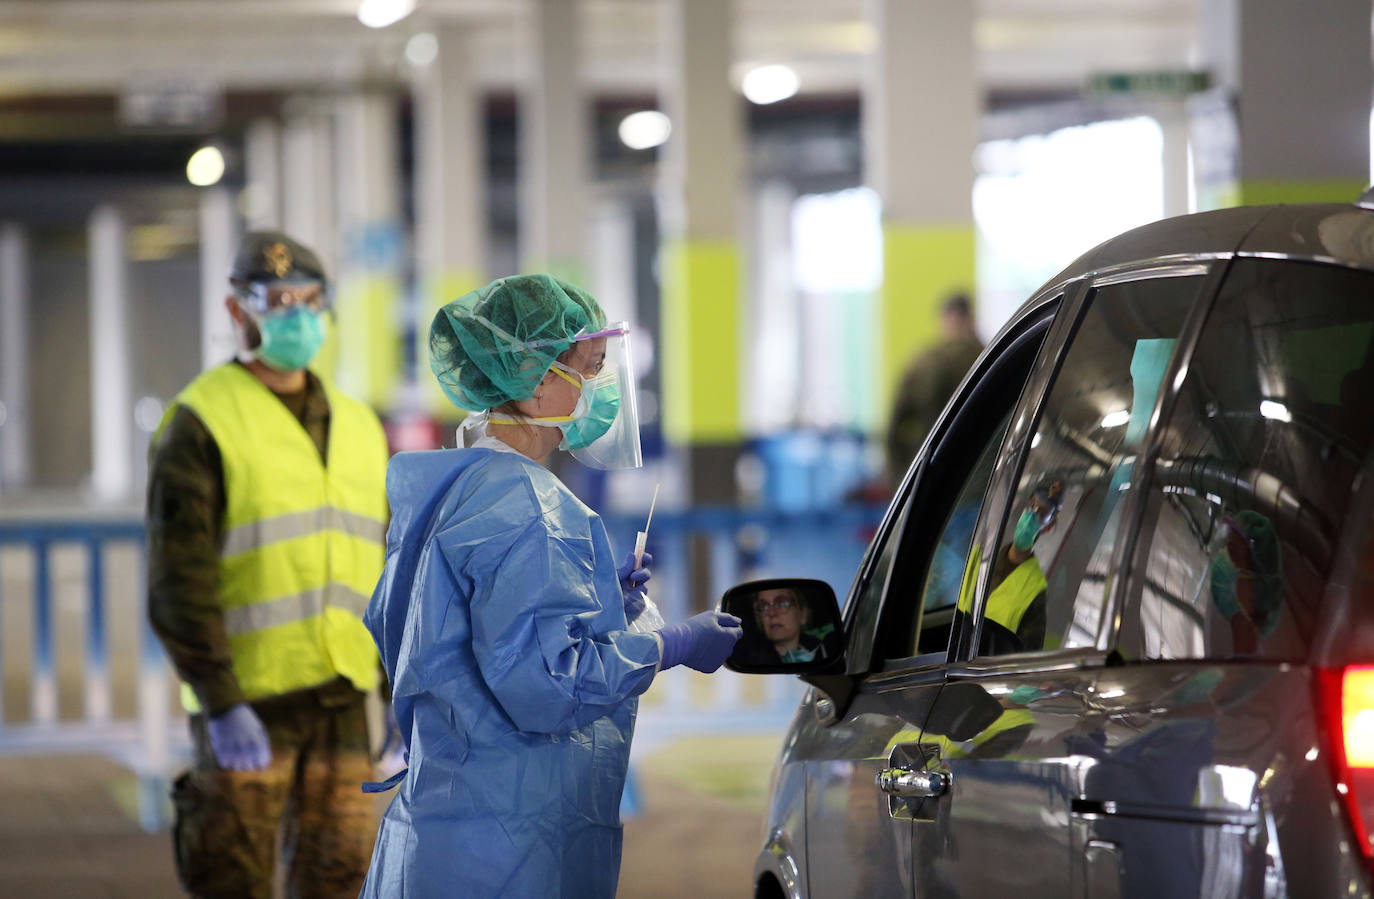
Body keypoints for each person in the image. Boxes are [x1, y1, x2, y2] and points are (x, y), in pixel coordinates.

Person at [359, 274, 743, 898]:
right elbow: (549, 686)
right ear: (537, 382)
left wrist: (598, 612)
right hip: (505, 847)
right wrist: (670, 644)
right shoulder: (528, 507)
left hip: (443, 826)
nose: (603, 388)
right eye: (589, 369)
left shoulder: (454, 488)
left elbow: (450, 637)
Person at [146, 231, 389, 899]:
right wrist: (220, 701)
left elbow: (387, 573)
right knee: (233, 877)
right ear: (238, 312)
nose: (298, 317)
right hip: (248, 704)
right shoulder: (201, 421)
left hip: (343, 698)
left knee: (340, 880)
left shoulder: (361, 425)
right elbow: (179, 578)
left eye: (311, 301)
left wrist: (395, 687)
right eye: (279, 301)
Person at [885, 292, 985, 485]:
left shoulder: (922, 363)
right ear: (971, 319)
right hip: (981, 475)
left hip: (933, 476)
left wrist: (898, 480)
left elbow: (895, 427)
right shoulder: (992, 355)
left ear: (944, 319)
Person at [983, 478, 1063, 653]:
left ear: (1048, 527)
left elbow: (1024, 660)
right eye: (1032, 504)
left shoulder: (1035, 591)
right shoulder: (983, 556)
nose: (1031, 515)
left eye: (1041, 513)